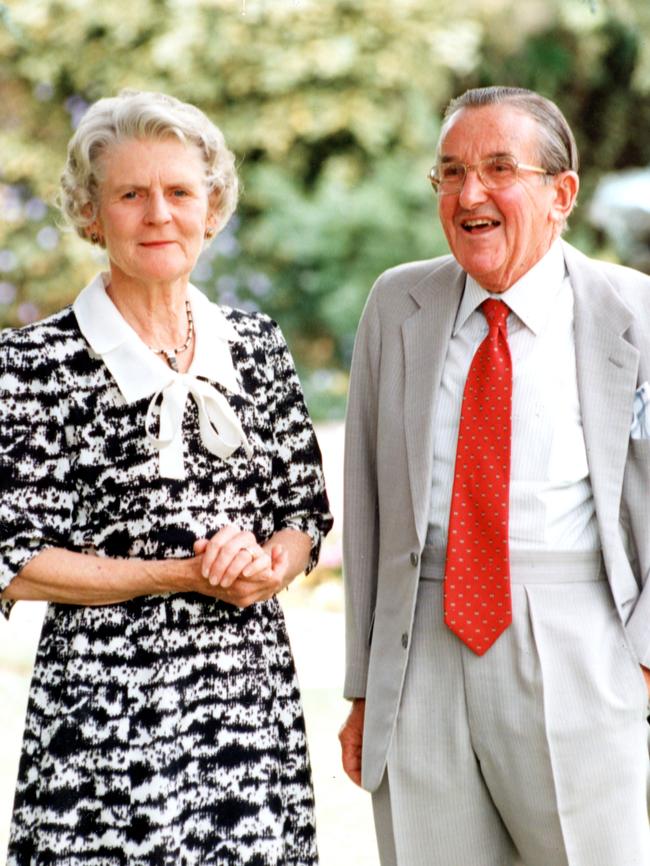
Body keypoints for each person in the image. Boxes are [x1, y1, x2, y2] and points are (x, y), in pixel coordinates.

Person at [0, 89, 332, 866]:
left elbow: (303, 514)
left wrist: (264, 567)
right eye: (130, 194)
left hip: (250, 716)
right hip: (102, 726)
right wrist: (180, 574)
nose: (159, 214)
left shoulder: (255, 344)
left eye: (180, 192)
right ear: (92, 215)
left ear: (211, 209)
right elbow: (13, 559)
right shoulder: (31, 366)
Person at [339, 85, 650, 866]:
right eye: (449, 173)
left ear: (561, 192)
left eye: (498, 168)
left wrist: (641, 657)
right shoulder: (395, 303)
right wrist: (362, 684)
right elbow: (368, 503)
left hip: (579, 636)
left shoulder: (635, 313)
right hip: (418, 649)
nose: (470, 193)